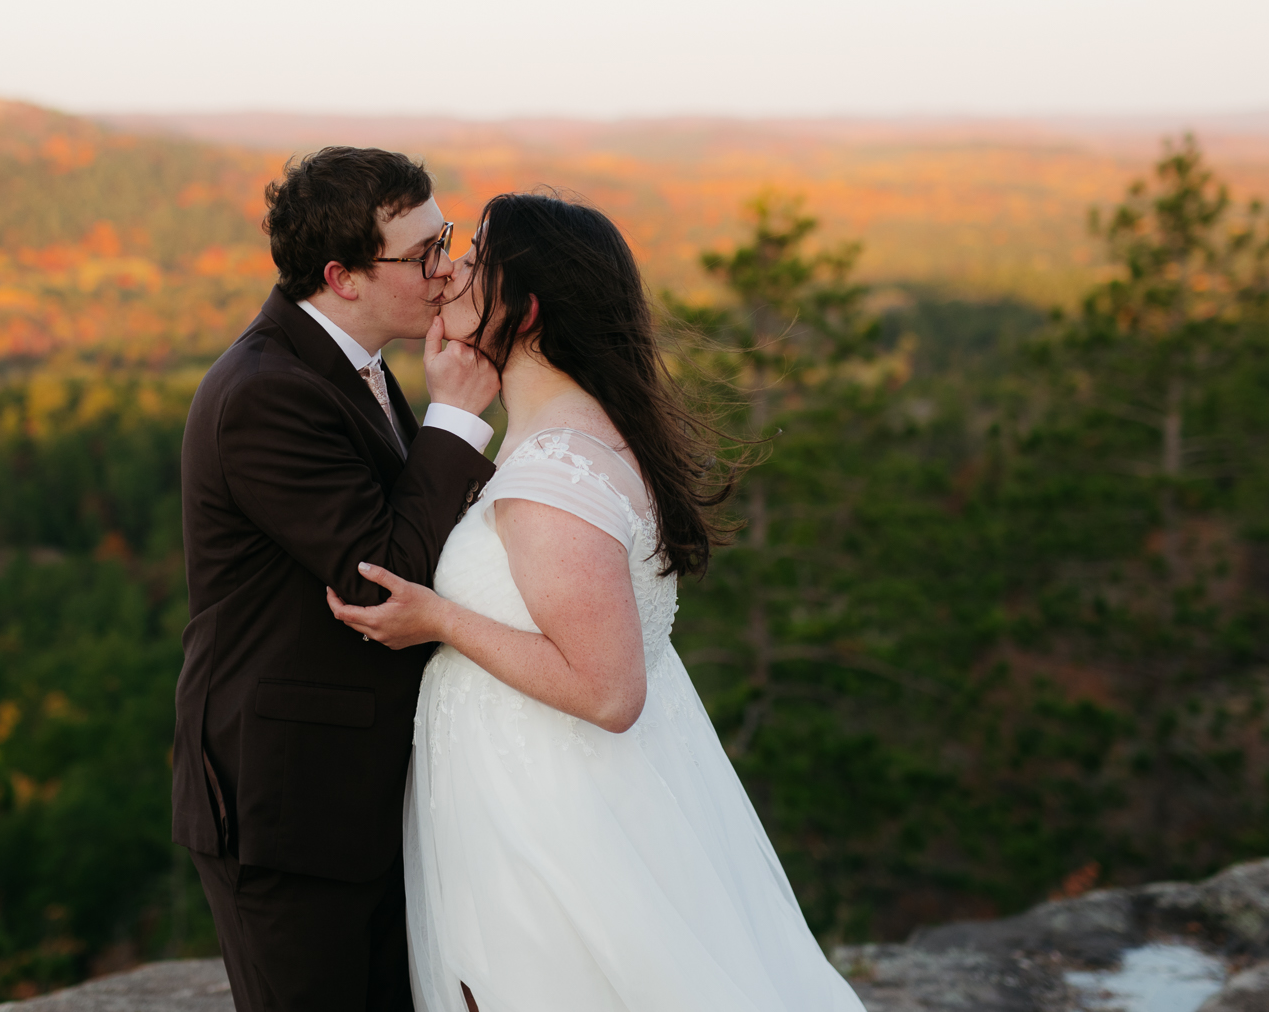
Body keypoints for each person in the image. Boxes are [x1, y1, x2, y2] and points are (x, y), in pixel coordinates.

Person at [329, 192, 867, 1012]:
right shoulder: (580, 431)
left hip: (552, 816)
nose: (452, 272)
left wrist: (438, 618)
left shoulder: (552, 476)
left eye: (476, 262)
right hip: (567, 788)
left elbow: (609, 690)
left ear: (529, 310)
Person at [173, 147, 501, 1012]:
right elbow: (380, 573)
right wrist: (460, 417)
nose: (450, 266)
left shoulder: (352, 363)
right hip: (289, 804)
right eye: (425, 251)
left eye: (448, 238)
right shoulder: (265, 392)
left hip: (356, 790)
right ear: (342, 275)